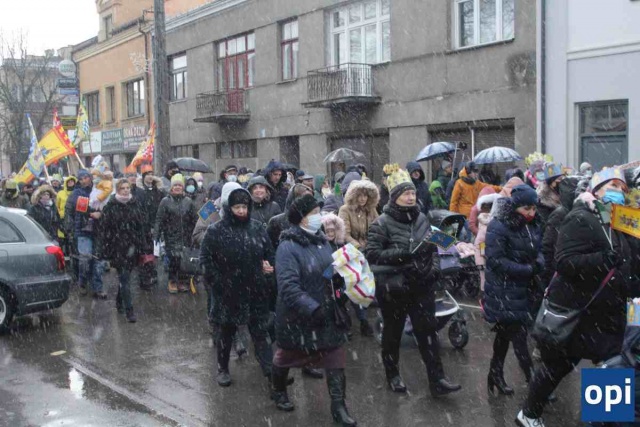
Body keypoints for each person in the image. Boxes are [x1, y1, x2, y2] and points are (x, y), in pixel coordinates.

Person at [516, 167, 640, 427]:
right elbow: (564, 262)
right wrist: (602, 260)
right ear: (596, 189)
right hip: (580, 312)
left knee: (613, 363)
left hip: (609, 314)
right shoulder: (580, 217)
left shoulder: (619, 219)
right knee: (557, 366)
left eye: (622, 188)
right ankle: (528, 414)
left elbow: (630, 261)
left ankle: (605, 419)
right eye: (612, 186)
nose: (618, 192)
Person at [366, 166, 461, 397]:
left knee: (427, 334)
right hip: (394, 288)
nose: (411, 197)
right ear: (395, 196)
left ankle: (437, 379)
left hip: (422, 286)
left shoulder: (422, 218)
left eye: (413, 193)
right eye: (406, 193)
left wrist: (435, 270)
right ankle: (393, 375)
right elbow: (372, 254)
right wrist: (402, 255)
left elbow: (436, 247)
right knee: (393, 334)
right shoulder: (381, 223)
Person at [271, 194, 357, 426]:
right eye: (314, 213)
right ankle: (278, 390)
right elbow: (288, 286)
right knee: (286, 357)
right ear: (302, 218)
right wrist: (311, 308)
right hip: (298, 316)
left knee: (335, 357)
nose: (320, 217)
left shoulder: (322, 241)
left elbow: (328, 270)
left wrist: (340, 283)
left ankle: (339, 407)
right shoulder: (287, 247)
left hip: (326, 311)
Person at [200, 183, 276, 388]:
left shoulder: (257, 228)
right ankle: (223, 368)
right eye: (237, 207)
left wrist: (268, 267)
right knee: (226, 332)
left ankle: (271, 373)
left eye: (244, 207)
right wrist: (218, 282)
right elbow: (206, 260)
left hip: (254, 290)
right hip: (228, 292)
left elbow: (269, 252)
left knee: (260, 333)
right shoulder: (216, 230)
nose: (241, 211)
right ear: (229, 208)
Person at [482, 185, 541, 397]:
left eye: (534, 208)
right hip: (505, 290)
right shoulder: (499, 226)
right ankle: (534, 381)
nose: (531, 213)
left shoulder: (532, 224)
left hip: (525, 289)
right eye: (527, 209)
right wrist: (526, 269)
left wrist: (538, 263)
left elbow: (539, 249)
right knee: (518, 335)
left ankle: (495, 373)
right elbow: (496, 260)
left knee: (505, 334)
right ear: (516, 206)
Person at [338, 179, 379, 337]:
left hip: (368, 250)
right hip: (351, 251)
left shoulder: (371, 210)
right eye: (360, 195)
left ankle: (363, 314)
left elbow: (378, 228)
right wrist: (358, 247)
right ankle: (362, 320)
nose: (363, 199)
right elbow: (344, 233)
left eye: (365, 195)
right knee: (355, 284)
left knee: (367, 284)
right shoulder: (345, 210)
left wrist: (373, 245)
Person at [101, 179, 146, 323]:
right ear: (118, 190)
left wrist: (142, 245)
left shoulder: (135, 204)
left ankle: (119, 301)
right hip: (118, 248)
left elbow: (141, 226)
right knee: (125, 278)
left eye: (127, 188)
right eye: (123, 188)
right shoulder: (111, 206)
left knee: (125, 278)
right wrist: (105, 249)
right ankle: (129, 310)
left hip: (133, 247)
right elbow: (104, 229)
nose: (126, 190)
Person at [65, 169, 107, 298]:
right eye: (81, 178)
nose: (84, 180)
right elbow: (68, 212)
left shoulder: (100, 191)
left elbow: (108, 209)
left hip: (98, 230)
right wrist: (70, 230)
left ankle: (97, 288)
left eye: (86, 177)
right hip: (82, 231)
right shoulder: (76, 194)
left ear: (90, 178)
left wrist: (101, 214)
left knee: (98, 261)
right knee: (85, 259)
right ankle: (82, 282)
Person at [155, 173, 198, 294]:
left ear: (183, 187)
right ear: (171, 187)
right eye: (175, 185)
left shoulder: (188, 201)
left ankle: (182, 281)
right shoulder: (165, 201)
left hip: (186, 236)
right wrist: (157, 234)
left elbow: (195, 219)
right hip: (171, 236)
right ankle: (172, 281)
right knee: (173, 260)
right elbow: (159, 219)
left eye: (180, 185)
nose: (178, 187)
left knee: (183, 260)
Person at [472, 189, 499, 292]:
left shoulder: (484, 220)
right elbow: (481, 242)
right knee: (486, 279)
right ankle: (485, 293)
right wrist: (484, 254)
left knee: (485, 278)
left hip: (484, 254)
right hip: (485, 256)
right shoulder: (489, 222)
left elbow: (480, 241)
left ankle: (485, 292)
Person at [536, 162, 565, 229]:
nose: (562, 182)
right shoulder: (542, 201)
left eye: (563, 179)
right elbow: (545, 224)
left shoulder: (563, 194)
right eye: (560, 179)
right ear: (552, 182)